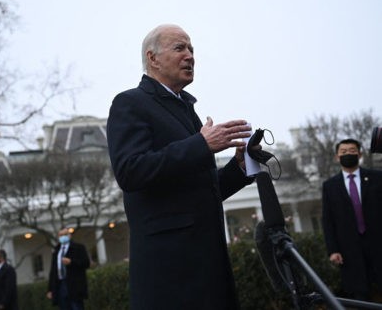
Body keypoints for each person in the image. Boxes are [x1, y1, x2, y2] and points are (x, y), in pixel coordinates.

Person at [107, 24, 256, 310]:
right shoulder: (130, 103)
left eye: (191, 49)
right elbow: (130, 171)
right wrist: (201, 145)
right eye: (180, 48)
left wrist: (239, 167)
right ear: (152, 58)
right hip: (170, 275)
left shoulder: (187, 110)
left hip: (208, 266)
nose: (190, 56)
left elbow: (198, 191)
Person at [322, 138, 382, 301]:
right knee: (360, 295)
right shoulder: (329, 186)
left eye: (352, 151)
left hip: (378, 244)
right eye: (343, 152)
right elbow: (328, 220)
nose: (348, 154)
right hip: (349, 250)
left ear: (360, 154)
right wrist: (333, 250)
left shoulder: (377, 178)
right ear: (337, 156)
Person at [47, 227, 90, 310]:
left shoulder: (79, 248)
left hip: (75, 285)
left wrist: (71, 262)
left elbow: (86, 263)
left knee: (76, 306)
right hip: (61, 285)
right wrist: (50, 289)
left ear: (70, 235)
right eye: (61, 235)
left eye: (65, 234)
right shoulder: (56, 251)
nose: (63, 237)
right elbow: (53, 271)